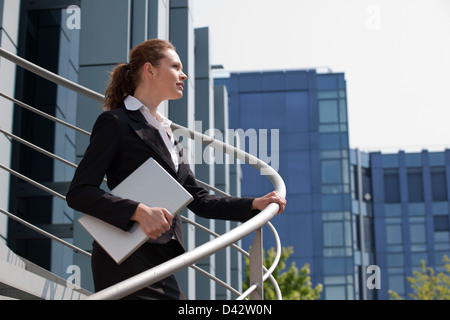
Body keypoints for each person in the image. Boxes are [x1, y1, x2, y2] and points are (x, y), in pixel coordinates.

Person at [66, 39, 286, 300]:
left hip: (160, 260)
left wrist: (253, 204)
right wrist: (137, 211)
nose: (184, 75)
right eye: (175, 66)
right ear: (150, 70)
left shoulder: (168, 134)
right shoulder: (116, 122)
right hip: (124, 257)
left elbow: (199, 200)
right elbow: (79, 192)